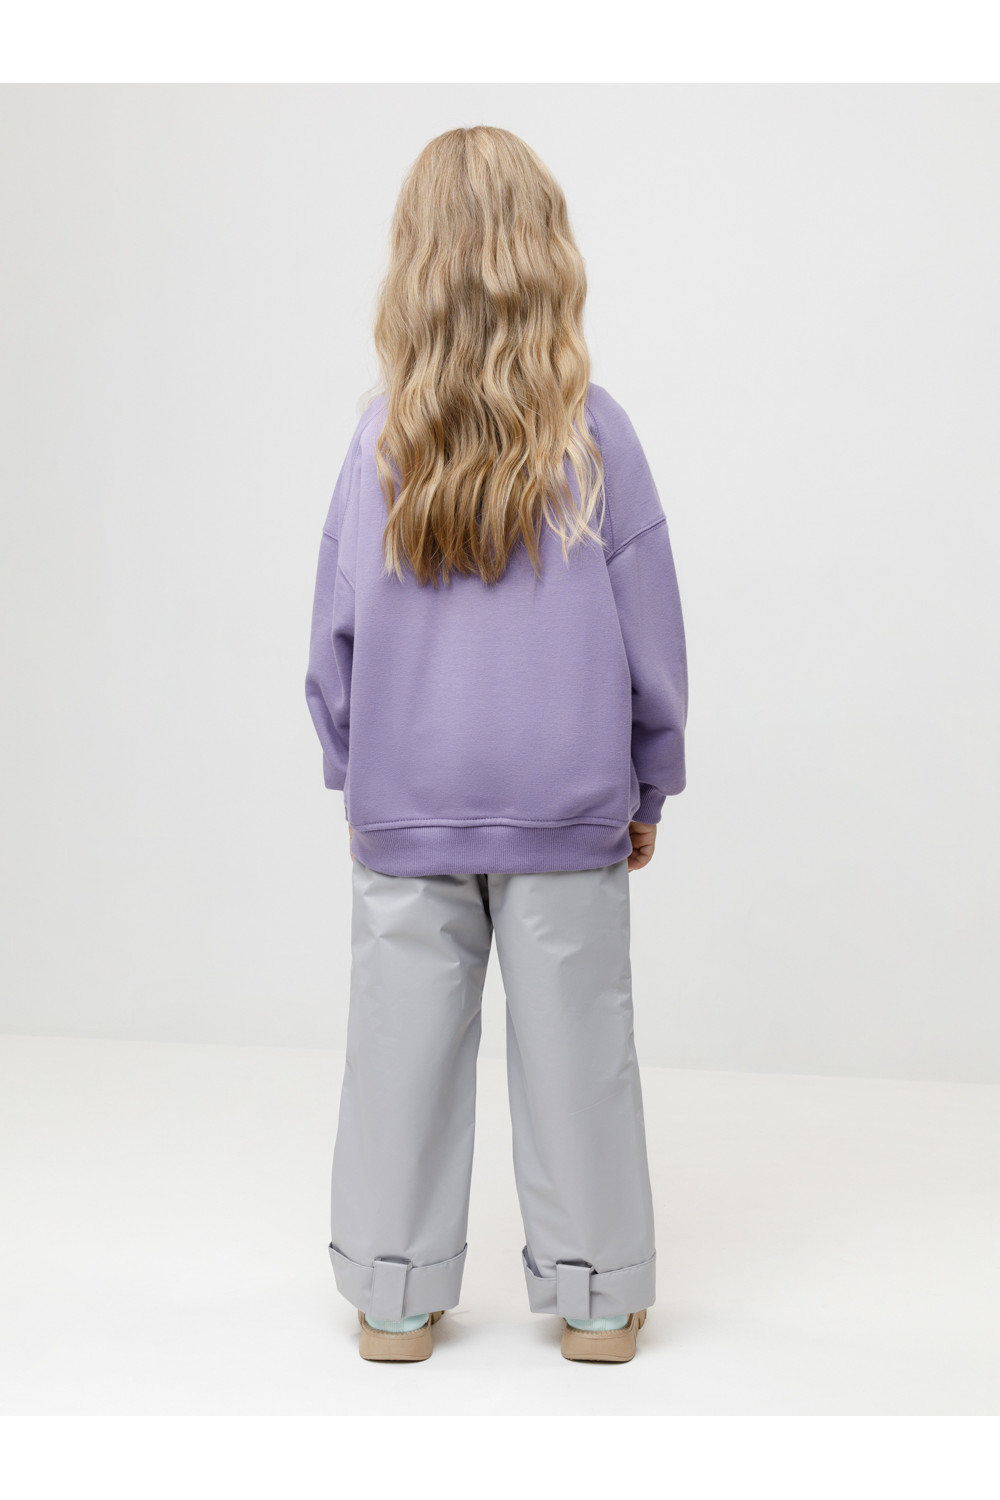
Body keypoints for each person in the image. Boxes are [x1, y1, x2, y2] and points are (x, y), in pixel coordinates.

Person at [304, 125, 688, 1364]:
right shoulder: (598, 438)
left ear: (414, 263)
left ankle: (394, 1297)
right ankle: (597, 1300)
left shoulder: (379, 445)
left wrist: (355, 768)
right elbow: (650, 633)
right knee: (580, 1052)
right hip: (567, 803)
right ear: (545, 257)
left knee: (398, 1057)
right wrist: (648, 783)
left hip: (407, 801)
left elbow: (334, 634)